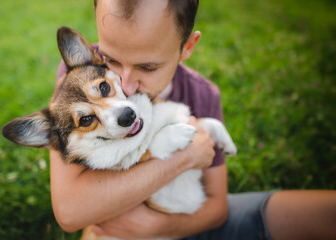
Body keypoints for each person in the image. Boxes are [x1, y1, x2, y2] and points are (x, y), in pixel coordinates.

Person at [50, 0, 336, 239]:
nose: (125, 86)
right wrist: (183, 158)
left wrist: (160, 226)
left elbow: (216, 207)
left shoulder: (203, 96)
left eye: (148, 67)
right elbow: (70, 212)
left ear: (187, 47)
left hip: (181, 222)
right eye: (110, 59)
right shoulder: (81, 78)